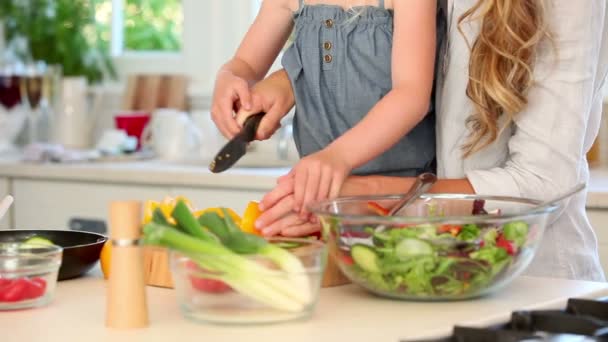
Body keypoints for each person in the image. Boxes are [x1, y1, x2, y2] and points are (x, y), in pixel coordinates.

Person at [246, 0, 608, 282]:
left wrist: (368, 198)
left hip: (532, 285)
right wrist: (289, 80)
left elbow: (541, 183)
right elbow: (387, 54)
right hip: (426, 274)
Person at [210, 0, 439, 221]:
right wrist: (229, 77)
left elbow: (411, 96)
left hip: (406, 202)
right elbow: (246, 64)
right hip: (320, 202)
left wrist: (338, 156)